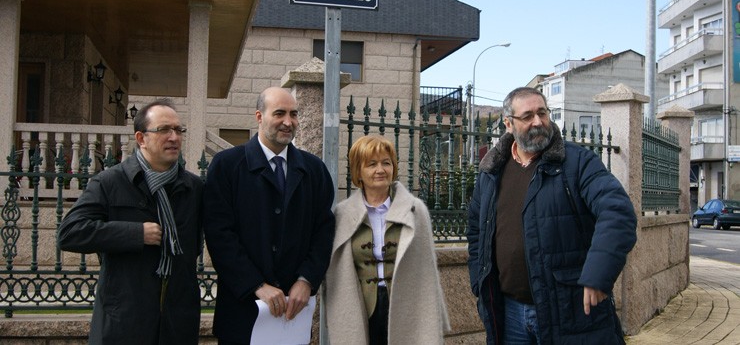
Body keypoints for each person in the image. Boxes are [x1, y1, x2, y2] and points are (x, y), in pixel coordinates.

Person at [467, 87, 637, 345]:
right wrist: (479, 282)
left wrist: (599, 274)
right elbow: (476, 231)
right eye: (527, 116)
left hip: (570, 310)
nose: (537, 122)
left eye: (542, 113)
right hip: (509, 312)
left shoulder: (578, 162)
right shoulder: (492, 171)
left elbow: (618, 213)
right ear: (508, 124)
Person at [58, 99, 203, 345]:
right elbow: (70, 232)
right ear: (141, 138)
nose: (174, 137)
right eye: (164, 130)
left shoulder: (194, 187)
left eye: (179, 130)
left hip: (177, 323)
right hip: (123, 323)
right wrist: (135, 234)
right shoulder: (110, 182)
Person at [203, 87, 335, 344]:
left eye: (294, 114)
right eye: (280, 113)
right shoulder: (227, 166)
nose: (288, 122)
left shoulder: (314, 170)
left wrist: (306, 280)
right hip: (241, 311)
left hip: (293, 314)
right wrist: (256, 285)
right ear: (259, 116)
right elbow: (219, 234)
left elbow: (324, 230)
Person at [325, 134, 450, 344]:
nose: (380, 170)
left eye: (386, 163)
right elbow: (335, 269)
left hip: (405, 304)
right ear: (358, 171)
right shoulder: (343, 214)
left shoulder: (415, 210)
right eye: (372, 164)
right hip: (361, 306)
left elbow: (427, 270)